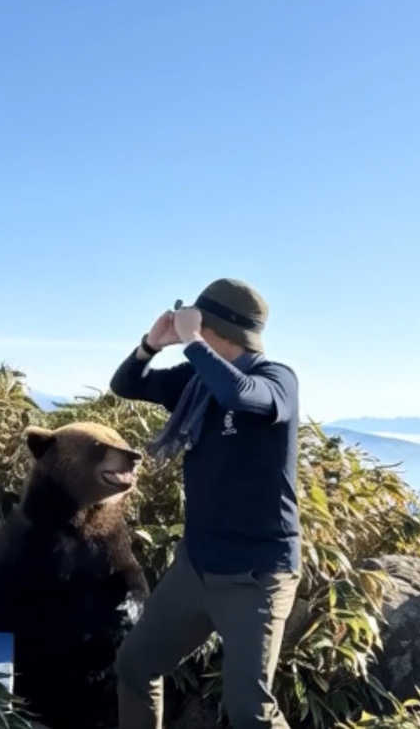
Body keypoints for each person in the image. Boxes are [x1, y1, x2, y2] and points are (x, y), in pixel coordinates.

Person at [111, 278, 300, 729]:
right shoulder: (195, 382)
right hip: (196, 567)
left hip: (256, 575)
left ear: (212, 326)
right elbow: (126, 385)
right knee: (135, 666)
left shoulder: (276, 380)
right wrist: (149, 346)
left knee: (250, 713)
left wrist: (193, 341)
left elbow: (239, 395)